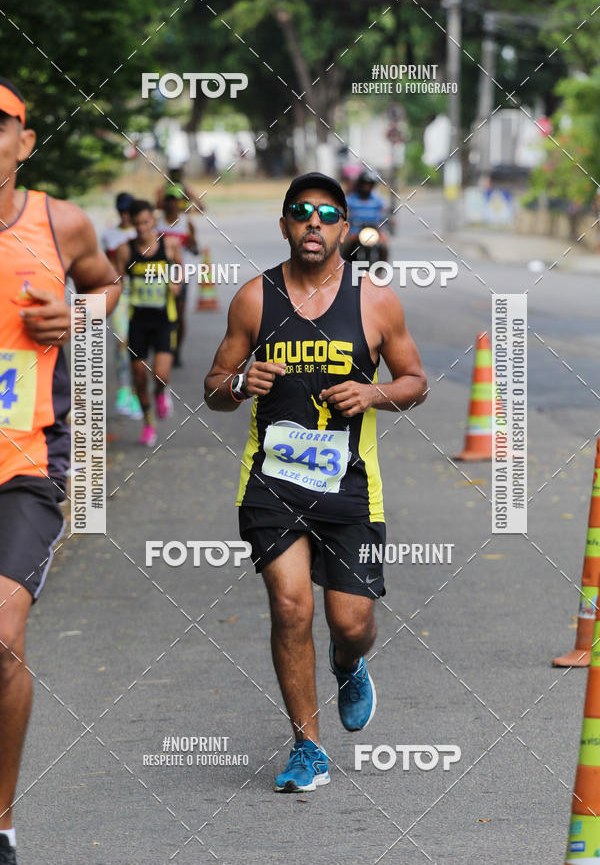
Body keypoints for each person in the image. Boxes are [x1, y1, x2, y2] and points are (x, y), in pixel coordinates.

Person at [204, 172, 427, 793]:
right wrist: (242, 382)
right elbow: (215, 386)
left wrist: (375, 391)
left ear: (344, 230)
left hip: (351, 487)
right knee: (289, 606)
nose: (314, 223)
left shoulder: (375, 300)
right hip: (271, 484)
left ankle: (348, 663)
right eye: (301, 212)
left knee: (351, 622)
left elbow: (415, 380)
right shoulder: (254, 298)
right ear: (283, 225)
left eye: (328, 214)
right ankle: (308, 747)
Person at [0, 77, 120, 865]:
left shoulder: (60, 222)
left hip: (24, 460)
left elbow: (107, 285)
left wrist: (74, 316)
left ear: (23, 140)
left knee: (1, 638)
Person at [114, 199, 182, 447]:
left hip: (164, 320)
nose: (142, 228)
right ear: (131, 223)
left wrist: (176, 282)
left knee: (161, 375)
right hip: (138, 322)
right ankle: (148, 424)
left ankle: (162, 393)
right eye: (137, 223)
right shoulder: (125, 250)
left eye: (146, 222)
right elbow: (117, 285)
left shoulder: (170, 245)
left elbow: (179, 270)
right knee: (139, 378)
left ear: (153, 220)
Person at [101, 192, 142, 417]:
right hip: (120, 293)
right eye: (122, 212)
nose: (125, 216)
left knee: (139, 345)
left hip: (141, 295)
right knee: (121, 340)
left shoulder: (141, 232)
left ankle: (137, 392)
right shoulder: (109, 235)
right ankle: (125, 388)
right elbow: (105, 266)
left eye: (129, 212)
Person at [156, 183, 199, 367]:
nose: (173, 204)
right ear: (164, 202)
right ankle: (162, 348)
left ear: (182, 202)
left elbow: (196, 248)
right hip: (160, 275)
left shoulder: (186, 223)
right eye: (170, 200)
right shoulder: (156, 223)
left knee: (179, 315)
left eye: (177, 200)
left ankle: (177, 350)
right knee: (161, 314)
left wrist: (189, 245)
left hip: (181, 274)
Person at [341, 169, 389, 261]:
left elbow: (384, 216)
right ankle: (344, 268)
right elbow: (344, 216)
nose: (366, 187)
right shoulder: (350, 200)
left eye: (369, 185)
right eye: (364, 184)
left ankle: (380, 269)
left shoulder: (378, 200)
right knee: (345, 246)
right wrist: (349, 233)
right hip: (354, 234)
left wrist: (383, 232)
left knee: (384, 247)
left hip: (374, 233)